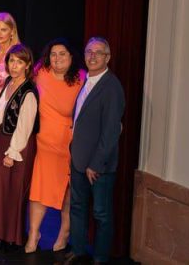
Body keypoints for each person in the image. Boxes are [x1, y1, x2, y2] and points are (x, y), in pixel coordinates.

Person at [62, 38, 124, 265]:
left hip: (99, 166)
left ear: (107, 57)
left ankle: (100, 258)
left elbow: (110, 132)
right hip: (79, 160)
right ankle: (78, 251)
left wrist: (96, 164)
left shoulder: (111, 87)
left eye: (98, 52)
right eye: (89, 52)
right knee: (77, 208)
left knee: (101, 214)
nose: (93, 56)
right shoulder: (86, 81)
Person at [26, 38, 84, 254]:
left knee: (67, 193)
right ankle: (33, 234)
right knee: (39, 190)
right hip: (44, 143)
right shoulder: (41, 72)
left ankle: (64, 233)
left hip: (69, 145)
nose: (57, 58)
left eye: (62, 54)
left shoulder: (81, 79)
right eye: (53, 54)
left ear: (71, 57)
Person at [0, 44, 38, 251]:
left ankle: (9, 236)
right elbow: (1, 111)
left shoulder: (29, 92)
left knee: (13, 191)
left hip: (17, 145)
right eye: (11, 61)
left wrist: (12, 152)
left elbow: (24, 126)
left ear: (27, 65)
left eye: (19, 62)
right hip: (2, 139)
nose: (14, 66)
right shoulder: (8, 82)